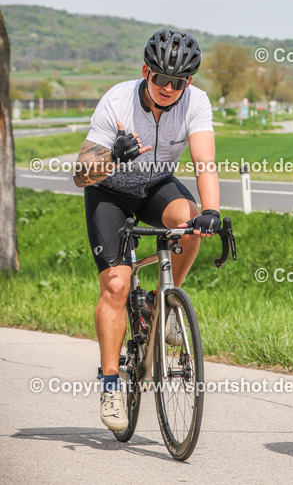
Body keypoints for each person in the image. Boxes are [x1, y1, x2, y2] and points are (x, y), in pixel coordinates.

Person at [73, 29, 222, 432]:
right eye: (160, 79)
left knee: (192, 224)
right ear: (146, 72)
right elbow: (80, 175)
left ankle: (163, 304)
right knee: (117, 287)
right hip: (110, 193)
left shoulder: (196, 101)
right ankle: (109, 384)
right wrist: (111, 157)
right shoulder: (117, 101)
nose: (169, 88)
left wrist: (212, 211)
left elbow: (204, 160)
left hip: (155, 186)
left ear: (188, 82)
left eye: (178, 82)